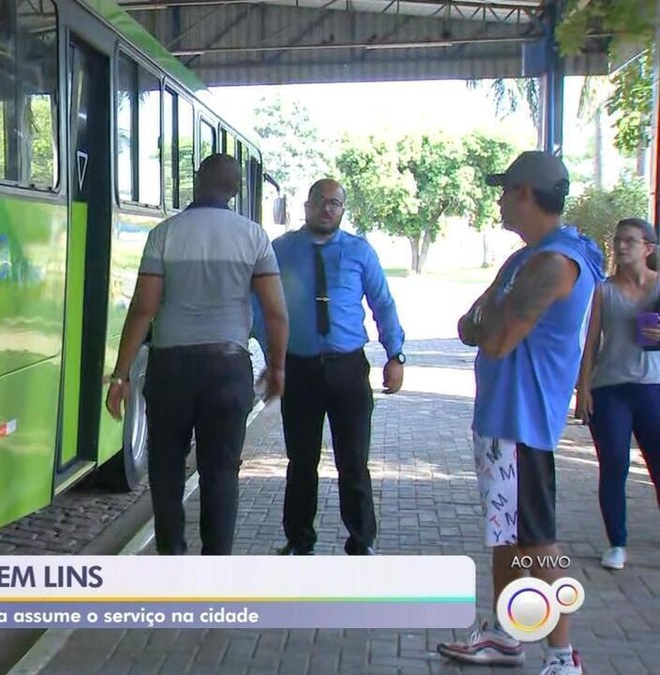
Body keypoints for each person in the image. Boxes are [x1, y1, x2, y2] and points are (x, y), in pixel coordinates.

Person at [437, 151, 603, 675]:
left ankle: (561, 655)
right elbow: (469, 325)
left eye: (506, 190)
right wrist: (487, 322)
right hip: (501, 423)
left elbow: (499, 337)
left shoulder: (554, 263)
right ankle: (506, 635)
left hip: (523, 425)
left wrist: (489, 322)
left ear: (527, 194)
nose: (500, 199)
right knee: (508, 536)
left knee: (537, 544)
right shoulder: (525, 259)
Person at [105, 153, 289, 556]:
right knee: (221, 471)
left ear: (196, 181)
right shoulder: (254, 237)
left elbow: (144, 308)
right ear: (237, 188)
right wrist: (277, 367)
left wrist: (120, 375)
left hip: (171, 368)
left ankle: (172, 556)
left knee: (167, 469)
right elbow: (275, 311)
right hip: (227, 367)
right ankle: (216, 565)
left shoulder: (166, 234)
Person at [252, 178, 406, 557]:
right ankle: (299, 539)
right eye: (319, 200)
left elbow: (382, 304)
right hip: (299, 370)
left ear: (342, 210)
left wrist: (395, 354)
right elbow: (259, 306)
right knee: (300, 462)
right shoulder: (281, 250)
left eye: (335, 203)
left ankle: (362, 540)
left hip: (348, 370)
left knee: (353, 462)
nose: (326, 208)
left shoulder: (359, 252)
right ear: (306, 205)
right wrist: (273, 356)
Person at [575, 217, 660, 571]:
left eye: (630, 241)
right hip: (610, 389)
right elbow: (591, 343)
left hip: (653, 388)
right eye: (617, 240)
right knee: (614, 465)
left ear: (648, 248)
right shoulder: (603, 290)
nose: (622, 246)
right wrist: (583, 390)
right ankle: (617, 543)